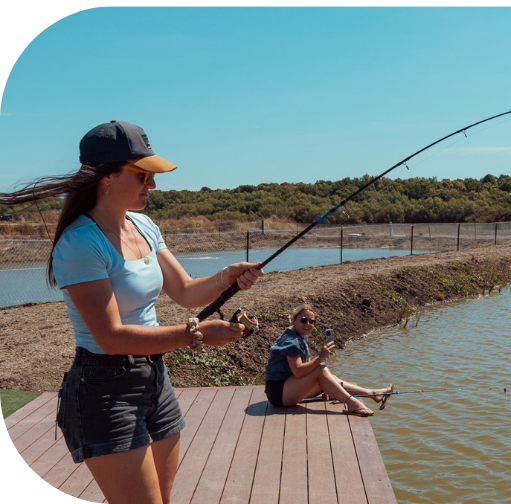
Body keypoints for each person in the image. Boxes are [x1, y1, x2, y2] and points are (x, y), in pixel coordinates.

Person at [0, 120, 263, 504]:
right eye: (143, 174)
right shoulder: (79, 243)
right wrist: (197, 335)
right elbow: (110, 337)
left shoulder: (142, 225)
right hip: (104, 387)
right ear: (106, 177)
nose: (152, 185)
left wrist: (226, 276)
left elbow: (186, 292)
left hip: (155, 377)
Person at [264, 304, 394, 416]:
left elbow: (305, 367)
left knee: (326, 375)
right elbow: (298, 371)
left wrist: (323, 383)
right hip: (278, 393)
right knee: (321, 369)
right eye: (303, 320)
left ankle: (372, 393)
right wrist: (320, 357)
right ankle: (352, 403)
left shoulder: (299, 336)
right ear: (293, 320)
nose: (308, 324)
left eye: (311, 321)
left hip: (289, 387)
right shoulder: (291, 341)